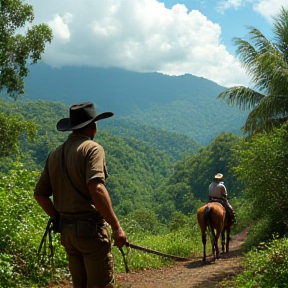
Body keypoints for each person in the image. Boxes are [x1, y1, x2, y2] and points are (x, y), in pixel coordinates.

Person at [34, 102, 127, 288]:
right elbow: (97, 189)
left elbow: (40, 195)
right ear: (93, 127)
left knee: (80, 285)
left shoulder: (54, 154)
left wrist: (57, 218)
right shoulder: (92, 149)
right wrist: (116, 228)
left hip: (67, 233)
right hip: (90, 232)